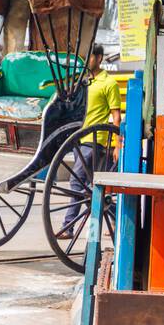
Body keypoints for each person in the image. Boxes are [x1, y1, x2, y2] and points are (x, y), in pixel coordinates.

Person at [57, 43, 121, 239]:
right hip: (79, 138)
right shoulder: (82, 83)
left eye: (90, 58)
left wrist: (117, 144)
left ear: (99, 58)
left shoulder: (109, 83)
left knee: (76, 182)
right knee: (91, 189)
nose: (87, 62)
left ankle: (68, 226)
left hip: (96, 140)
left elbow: (116, 117)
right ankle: (117, 217)